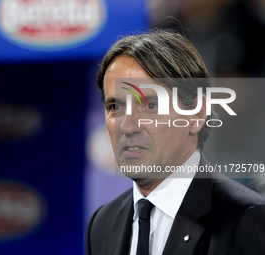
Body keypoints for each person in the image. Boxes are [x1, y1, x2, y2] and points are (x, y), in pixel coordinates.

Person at [86, 30, 265, 255]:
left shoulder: (246, 220)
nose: (128, 127)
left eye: (150, 105)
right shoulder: (101, 223)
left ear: (197, 115)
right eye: (115, 107)